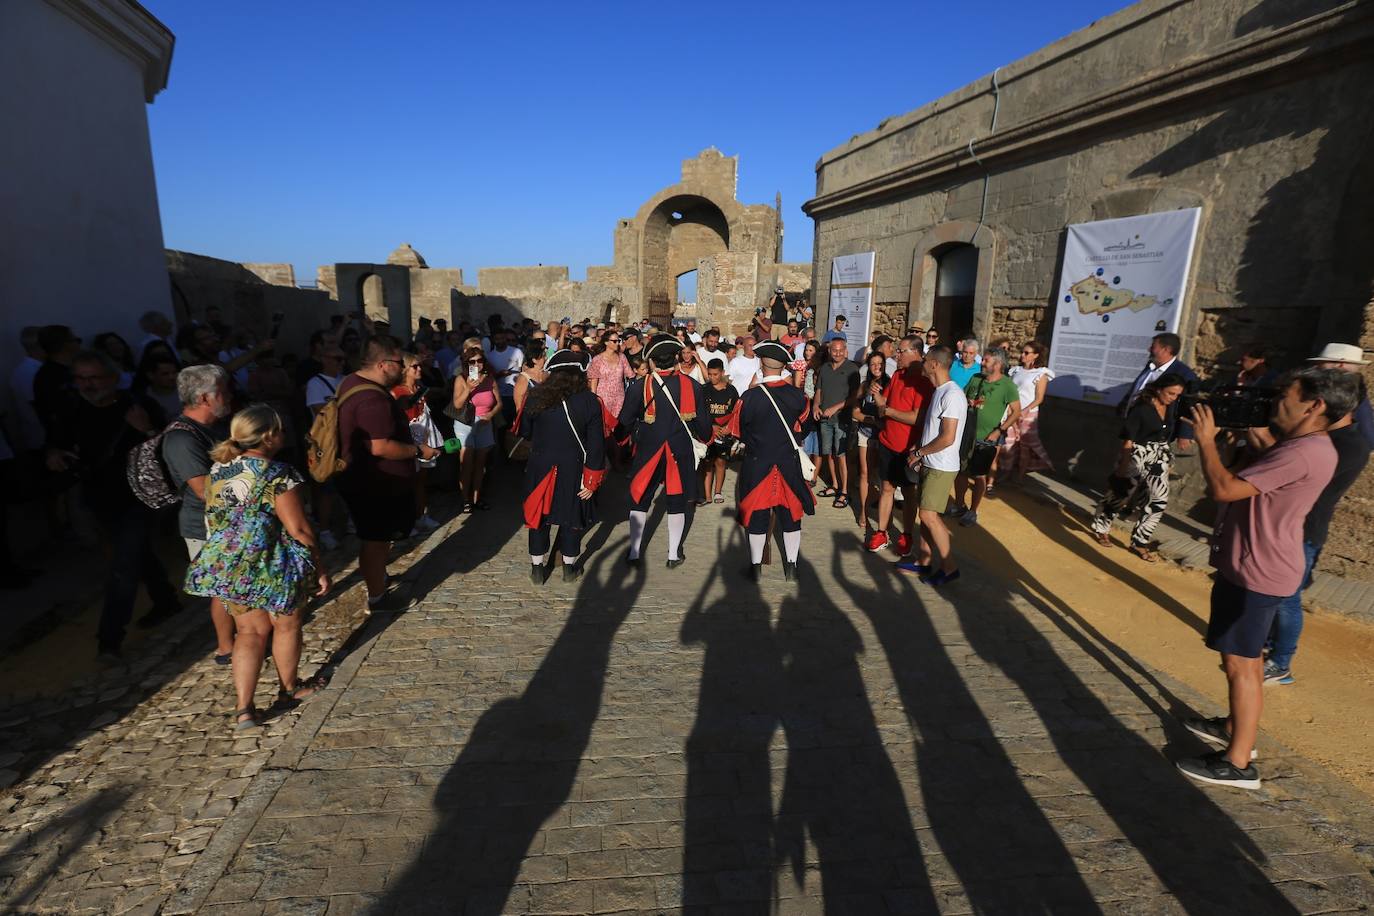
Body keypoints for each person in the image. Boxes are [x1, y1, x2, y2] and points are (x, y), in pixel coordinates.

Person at [1177, 367, 1354, 790]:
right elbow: (1271, 459)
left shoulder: (1302, 452)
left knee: (1241, 664)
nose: (1277, 401)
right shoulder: (1309, 445)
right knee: (1246, 657)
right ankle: (1236, 728)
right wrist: (1249, 427)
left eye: (1285, 395)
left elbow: (1224, 489)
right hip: (1261, 564)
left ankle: (1239, 762)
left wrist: (1206, 439)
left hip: (1257, 570)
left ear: (1315, 405)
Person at [184, 405, 330, 729]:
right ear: (268, 436)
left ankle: (244, 709)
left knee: (248, 632)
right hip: (273, 562)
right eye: (279, 429)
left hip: (231, 563)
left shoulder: (217, 473)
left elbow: (214, 521)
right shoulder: (278, 473)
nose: (283, 434)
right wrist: (319, 567)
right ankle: (289, 690)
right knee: (286, 625)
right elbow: (299, 529)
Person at [46, 351, 182, 661]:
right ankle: (165, 601)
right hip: (98, 498)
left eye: (94, 378)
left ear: (111, 378)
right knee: (135, 553)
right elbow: (56, 442)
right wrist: (54, 454)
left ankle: (109, 639)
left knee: (123, 566)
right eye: (81, 378)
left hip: (138, 496)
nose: (88, 385)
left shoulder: (138, 405)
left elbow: (167, 448)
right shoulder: (72, 409)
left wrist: (146, 428)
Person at [1265, 347, 1372, 685]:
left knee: (1287, 597)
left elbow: (1308, 482)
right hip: (1296, 525)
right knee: (1278, 594)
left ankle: (1281, 663)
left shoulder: (1348, 443)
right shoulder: (1332, 436)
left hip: (1304, 528)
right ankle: (1270, 647)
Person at [335, 335, 439, 612]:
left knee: (377, 539)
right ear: (383, 364)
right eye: (398, 362)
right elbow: (380, 446)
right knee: (375, 540)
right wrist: (418, 451)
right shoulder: (372, 399)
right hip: (374, 483)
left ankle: (378, 578)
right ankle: (378, 598)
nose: (402, 368)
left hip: (366, 480)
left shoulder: (352, 382)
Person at [162, 364, 235, 663]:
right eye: (224, 392)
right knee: (223, 590)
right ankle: (226, 648)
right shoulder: (182, 439)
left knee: (234, 586)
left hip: (227, 520)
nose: (229, 397)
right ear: (206, 398)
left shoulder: (212, 427)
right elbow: (205, 490)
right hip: (204, 526)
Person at [618, 334, 711, 567]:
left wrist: (619, 440)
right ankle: (672, 554)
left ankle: (634, 552)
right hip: (680, 448)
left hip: (649, 449)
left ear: (651, 361)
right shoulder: (693, 386)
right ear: (676, 359)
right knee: (677, 501)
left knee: (640, 499)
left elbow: (625, 422)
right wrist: (705, 438)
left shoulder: (640, 387)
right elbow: (704, 428)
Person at [520, 350, 608, 583]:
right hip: (574, 466)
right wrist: (592, 479)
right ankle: (569, 569)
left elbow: (525, 432)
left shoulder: (535, 396)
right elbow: (596, 444)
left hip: (540, 466)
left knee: (539, 517)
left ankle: (537, 569)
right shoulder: (589, 401)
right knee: (572, 517)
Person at [733, 341, 814, 580]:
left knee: (757, 515)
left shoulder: (749, 397)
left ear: (760, 363)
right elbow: (804, 428)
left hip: (758, 462)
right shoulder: (798, 397)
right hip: (788, 462)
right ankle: (791, 567)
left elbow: (738, 430)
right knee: (791, 514)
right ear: (783, 367)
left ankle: (755, 568)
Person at [1091, 373, 1188, 561]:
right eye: (1171, 393)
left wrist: (1166, 461)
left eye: (1177, 395)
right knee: (1121, 493)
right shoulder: (1141, 409)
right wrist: (1123, 467)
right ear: (1159, 389)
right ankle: (1102, 527)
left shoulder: (1170, 406)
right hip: (1136, 452)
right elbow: (1128, 440)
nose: (1173, 398)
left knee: (1159, 500)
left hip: (1158, 454)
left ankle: (1139, 541)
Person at [900, 346, 967, 586]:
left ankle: (950, 568)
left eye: (926, 360)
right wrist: (919, 450)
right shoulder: (939, 391)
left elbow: (948, 437)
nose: (923, 363)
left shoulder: (952, 395)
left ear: (935, 365)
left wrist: (919, 452)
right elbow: (933, 430)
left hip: (942, 466)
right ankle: (924, 562)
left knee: (928, 516)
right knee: (927, 514)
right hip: (931, 461)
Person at [864, 336, 931, 555]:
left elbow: (918, 418)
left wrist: (890, 411)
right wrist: (877, 395)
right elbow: (885, 405)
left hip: (908, 449)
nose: (896, 355)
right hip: (888, 442)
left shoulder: (924, 381)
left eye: (901, 351)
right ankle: (882, 532)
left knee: (909, 492)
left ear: (915, 352)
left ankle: (907, 534)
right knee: (886, 488)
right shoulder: (897, 375)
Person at [951, 348, 1020, 527]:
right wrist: (967, 402)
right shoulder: (976, 379)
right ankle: (959, 505)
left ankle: (973, 511)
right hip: (967, 434)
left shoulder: (1007, 385)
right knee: (961, 472)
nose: (981, 362)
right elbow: (962, 397)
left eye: (986, 360)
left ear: (997, 364)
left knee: (979, 475)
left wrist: (999, 430)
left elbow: (1016, 412)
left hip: (987, 439)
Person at [1119, 332, 1198, 448]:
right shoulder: (1151, 366)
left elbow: (1189, 405)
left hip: (1154, 433)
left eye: (1153, 347)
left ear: (1166, 350)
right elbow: (1138, 387)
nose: (1149, 349)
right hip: (1134, 425)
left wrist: (1185, 434)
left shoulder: (1184, 374)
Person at [393, 353, 441, 535]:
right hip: (409, 440)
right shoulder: (398, 392)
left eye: (420, 365)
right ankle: (407, 520)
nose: (419, 369)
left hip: (424, 438)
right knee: (407, 482)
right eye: (415, 366)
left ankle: (421, 515)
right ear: (405, 369)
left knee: (422, 480)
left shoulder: (419, 387)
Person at [451, 347, 501, 512]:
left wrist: (491, 414)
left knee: (480, 465)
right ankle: (465, 500)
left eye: (480, 361)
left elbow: (499, 403)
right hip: (465, 424)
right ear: (466, 363)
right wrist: (469, 388)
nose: (477, 364)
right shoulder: (461, 379)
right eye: (472, 361)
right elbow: (457, 405)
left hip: (484, 423)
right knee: (466, 463)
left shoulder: (490, 379)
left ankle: (476, 498)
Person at [814, 338, 860, 509]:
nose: (838, 353)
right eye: (834, 350)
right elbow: (819, 389)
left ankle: (845, 491)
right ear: (829, 351)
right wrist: (815, 406)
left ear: (846, 350)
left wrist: (835, 408)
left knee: (841, 456)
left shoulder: (852, 369)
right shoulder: (824, 368)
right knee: (829, 454)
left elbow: (855, 396)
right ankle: (834, 485)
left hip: (842, 419)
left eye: (841, 350)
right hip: (825, 419)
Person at [1001, 339, 1055, 482]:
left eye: (1026, 353)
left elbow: (1039, 398)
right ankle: (1006, 472)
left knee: (1025, 446)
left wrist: (1025, 410)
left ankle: (1019, 477)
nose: (1022, 355)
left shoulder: (1041, 373)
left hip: (1029, 414)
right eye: (1022, 352)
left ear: (1036, 355)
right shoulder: (1016, 371)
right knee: (1009, 444)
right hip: (1012, 412)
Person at [852, 352, 890, 527]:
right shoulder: (864, 386)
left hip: (884, 437)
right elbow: (855, 412)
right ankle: (864, 512)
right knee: (865, 473)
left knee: (883, 477)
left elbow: (888, 412)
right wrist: (874, 421)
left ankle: (884, 517)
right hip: (866, 433)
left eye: (880, 363)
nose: (877, 367)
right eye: (873, 364)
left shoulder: (890, 384)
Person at [698, 358, 739, 506]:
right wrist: (712, 426)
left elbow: (736, 411)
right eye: (709, 374)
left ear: (722, 373)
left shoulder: (731, 390)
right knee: (707, 463)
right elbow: (700, 412)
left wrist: (729, 428)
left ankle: (718, 492)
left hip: (724, 433)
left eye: (715, 374)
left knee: (721, 462)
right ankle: (707, 495)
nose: (712, 377)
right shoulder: (704, 390)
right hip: (708, 431)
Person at [587, 329, 633, 423]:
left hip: (619, 398)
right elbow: (594, 380)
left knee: (616, 427)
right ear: (606, 342)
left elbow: (630, 374)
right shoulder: (598, 359)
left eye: (618, 341)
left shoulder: (622, 357)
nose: (617, 343)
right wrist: (594, 399)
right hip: (603, 398)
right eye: (614, 341)